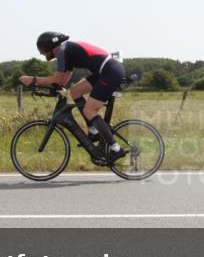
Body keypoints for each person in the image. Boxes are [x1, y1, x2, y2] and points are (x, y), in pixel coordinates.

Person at [19, 32, 128, 162]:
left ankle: (116, 149)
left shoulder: (63, 51)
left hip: (110, 72)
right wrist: (54, 86)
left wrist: (33, 80)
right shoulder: (66, 50)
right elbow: (62, 81)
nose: (44, 55)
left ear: (48, 47)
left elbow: (57, 78)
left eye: (43, 51)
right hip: (106, 71)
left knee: (89, 110)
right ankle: (93, 131)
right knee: (75, 91)